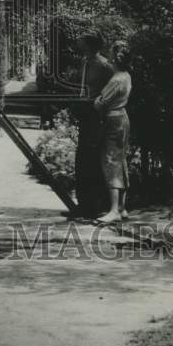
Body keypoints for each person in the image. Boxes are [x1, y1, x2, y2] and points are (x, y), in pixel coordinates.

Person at [74, 32, 115, 218]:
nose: (78, 42)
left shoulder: (105, 66)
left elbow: (111, 92)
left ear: (90, 45)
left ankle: (97, 205)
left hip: (96, 116)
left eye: (82, 40)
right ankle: (82, 204)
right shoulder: (84, 61)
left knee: (93, 159)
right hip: (84, 113)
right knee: (82, 159)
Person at [93, 41, 133, 224]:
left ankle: (114, 210)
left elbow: (101, 103)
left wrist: (96, 102)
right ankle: (123, 208)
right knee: (121, 159)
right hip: (122, 118)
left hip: (113, 119)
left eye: (111, 54)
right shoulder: (126, 75)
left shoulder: (116, 79)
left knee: (110, 161)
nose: (108, 56)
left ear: (116, 58)